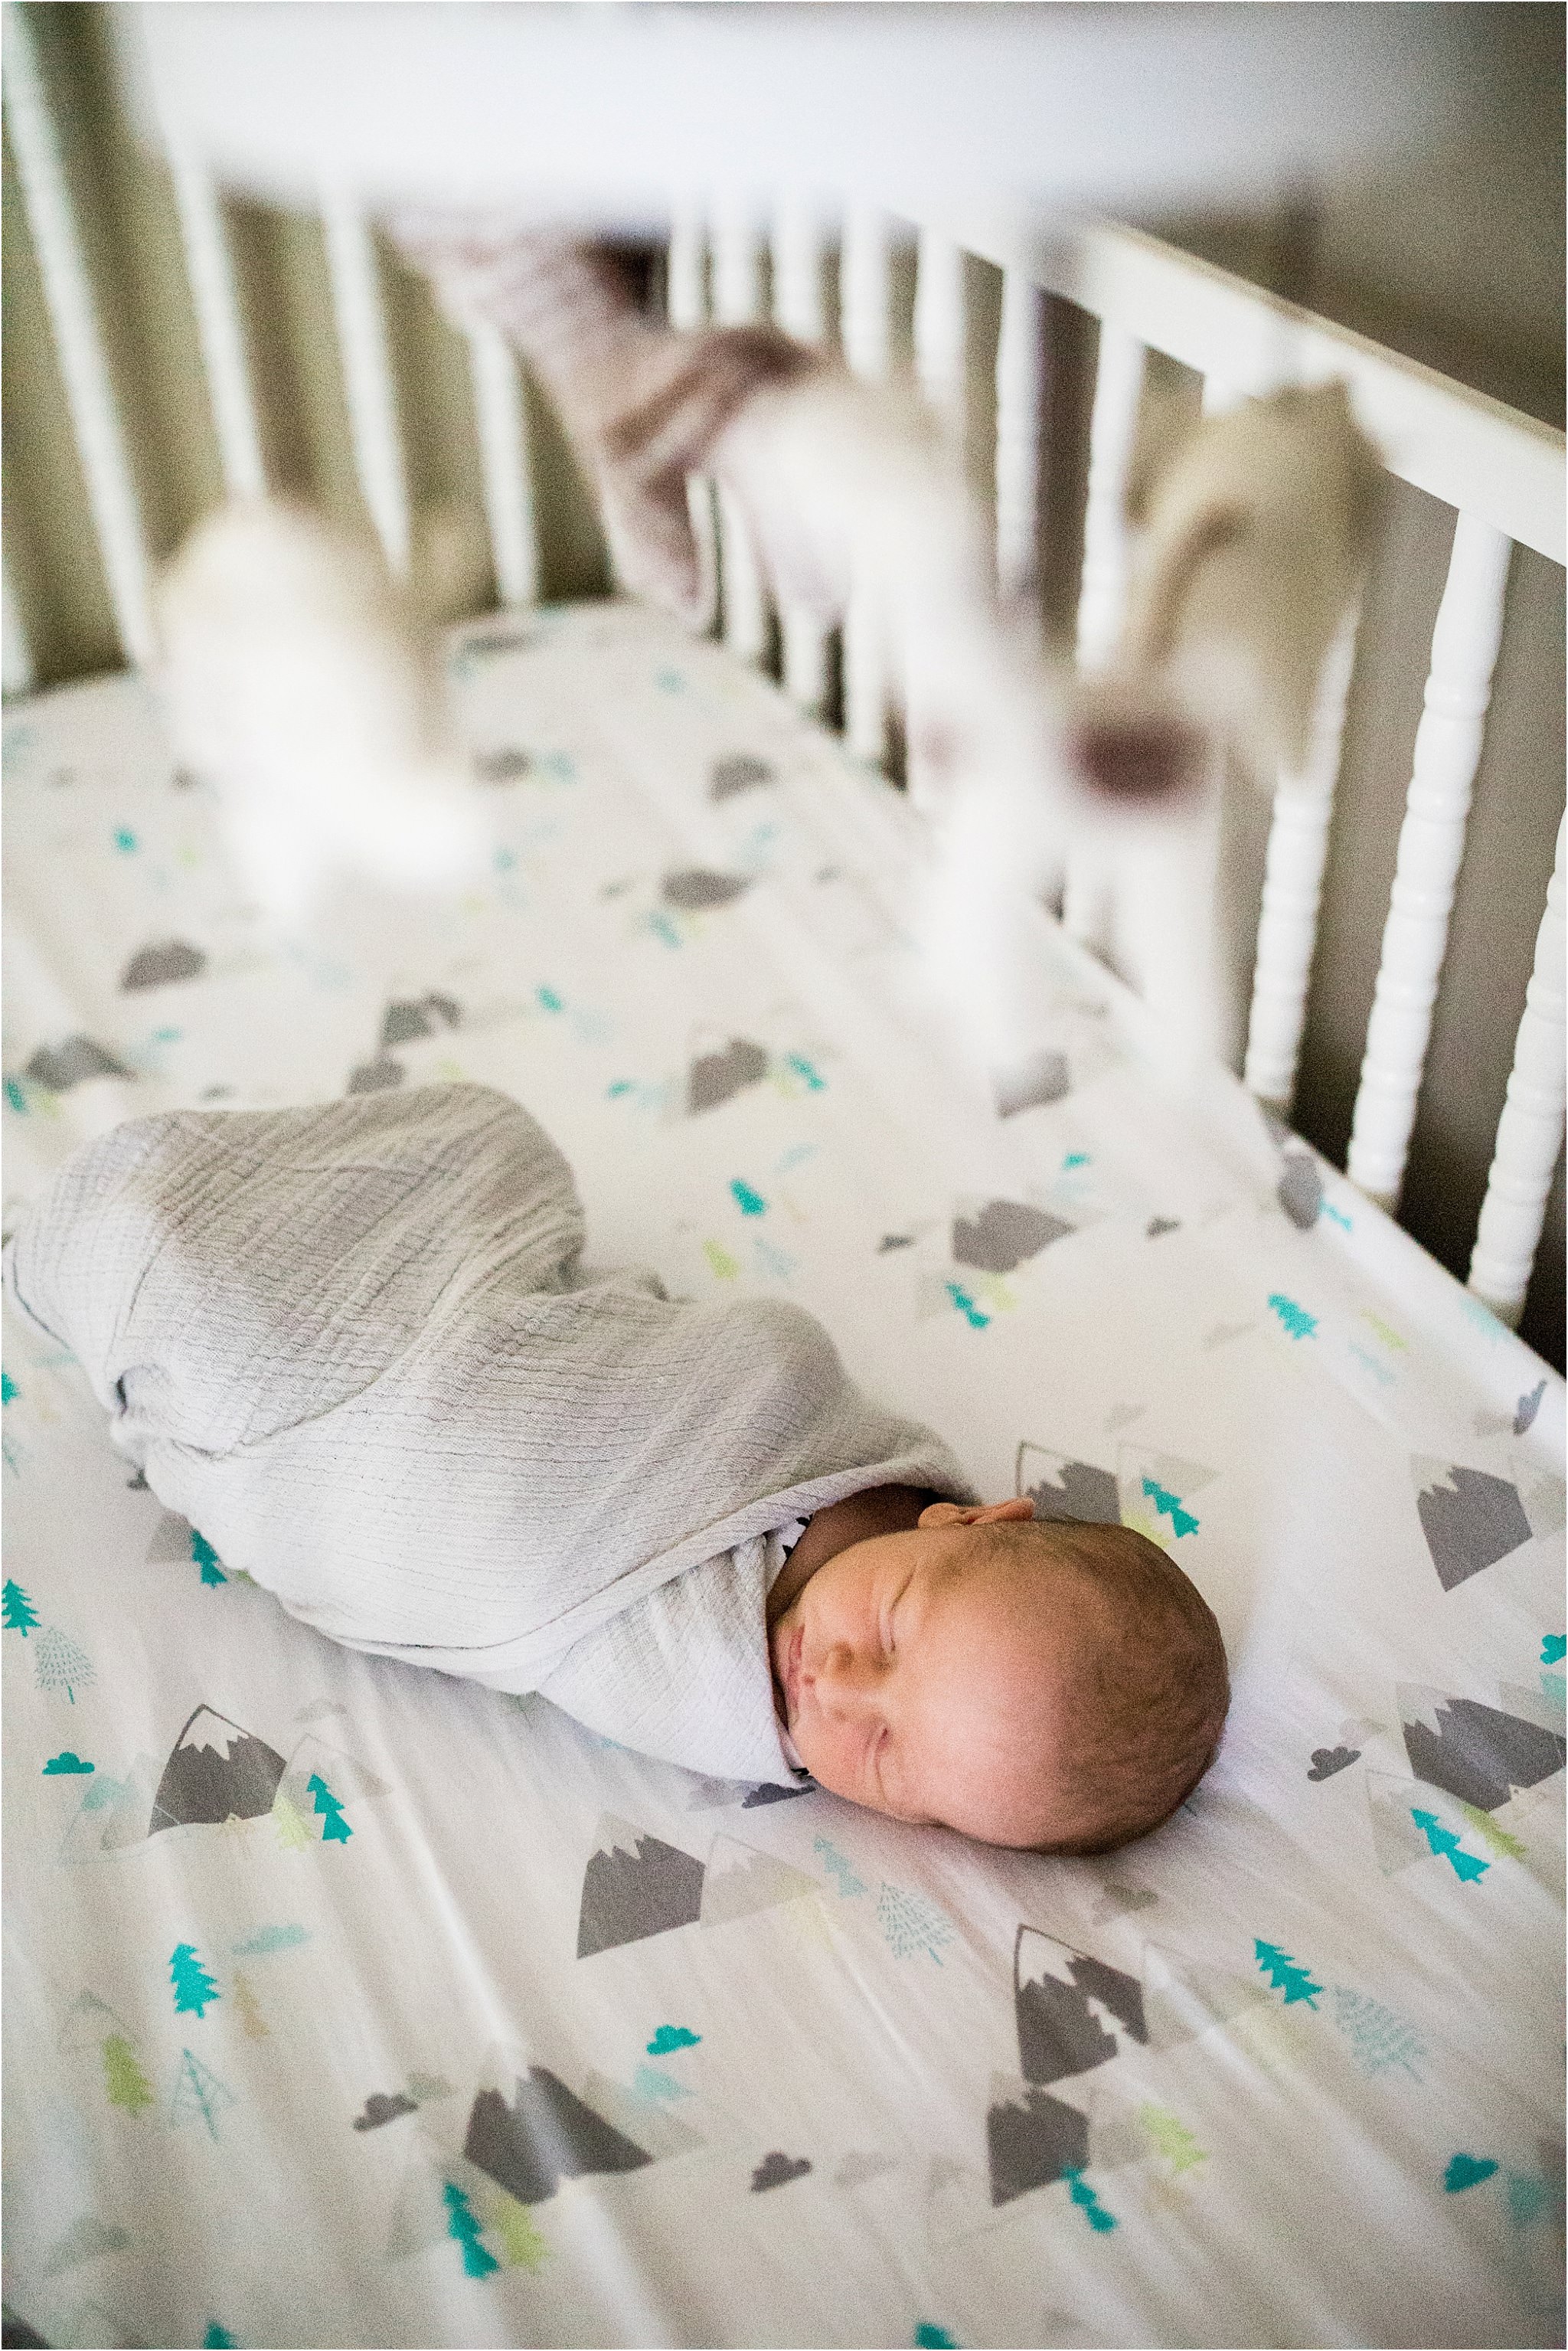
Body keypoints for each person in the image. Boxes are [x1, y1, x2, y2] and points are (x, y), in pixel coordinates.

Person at [3, 1083, 1227, 1852]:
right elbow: (736, 1356)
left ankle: (143, 1266)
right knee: (494, 1138)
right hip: (492, 1330)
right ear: (968, 1520)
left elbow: (521, 1550)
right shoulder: (830, 1438)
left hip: (376, 1456)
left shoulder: (711, 1686)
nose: (841, 1687)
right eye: (898, 1635)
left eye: (894, 1760)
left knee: (206, 1307)